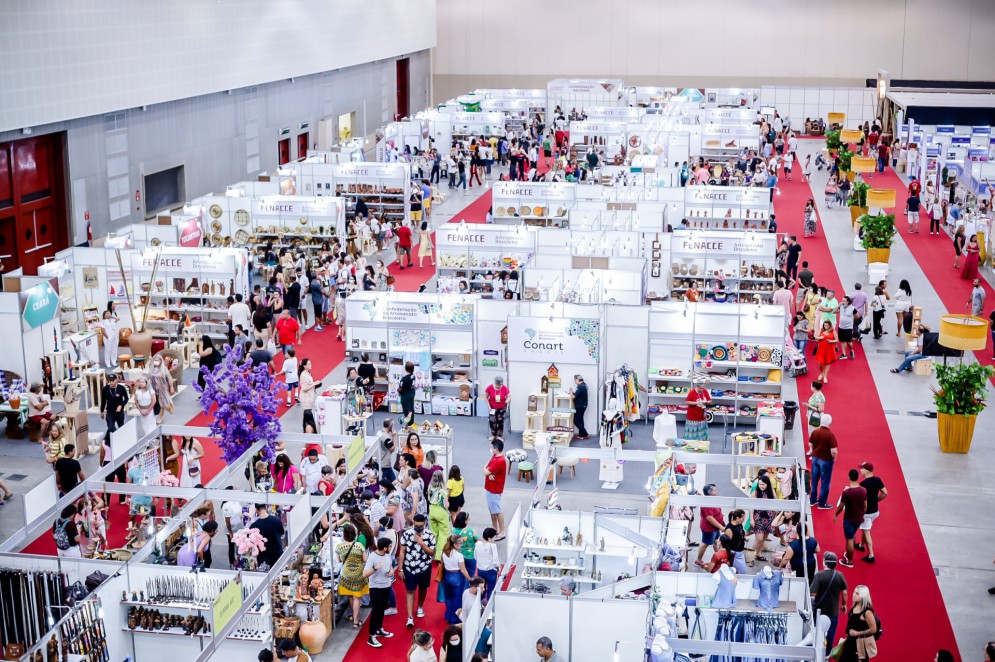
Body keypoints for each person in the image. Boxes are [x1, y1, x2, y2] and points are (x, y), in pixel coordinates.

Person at [398, 513, 435, 628]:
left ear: (424, 524)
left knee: (423, 588)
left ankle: (420, 606)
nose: (418, 528)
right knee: (410, 590)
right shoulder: (407, 534)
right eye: (416, 525)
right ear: (413, 523)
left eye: (421, 526)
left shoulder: (430, 535)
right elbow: (402, 551)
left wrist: (421, 542)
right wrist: (400, 568)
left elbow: (431, 552)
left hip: (424, 566)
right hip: (409, 567)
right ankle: (409, 617)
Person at [810, 552, 848, 654]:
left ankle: (816, 651)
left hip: (819, 610)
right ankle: (827, 653)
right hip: (833, 611)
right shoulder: (839, 575)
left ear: (824, 562)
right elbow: (844, 592)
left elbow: (813, 593)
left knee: (816, 631)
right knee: (831, 633)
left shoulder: (819, 575)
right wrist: (844, 604)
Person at [363, 537, 396, 648]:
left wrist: (391, 571)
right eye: (390, 546)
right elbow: (365, 574)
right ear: (385, 548)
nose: (391, 548)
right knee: (376, 611)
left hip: (386, 586)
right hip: (376, 588)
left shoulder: (387, 555)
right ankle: (371, 636)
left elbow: (391, 566)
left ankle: (379, 629)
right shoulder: (372, 557)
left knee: (382, 609)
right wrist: (375, 569)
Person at [336, 523, 369, 629]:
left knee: (350, 595)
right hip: (358, 574)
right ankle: (356, 620)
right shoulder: (359, 546)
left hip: (346, 574)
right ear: (355, 535)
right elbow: (365, 560)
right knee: (357, 598)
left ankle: (353, 617)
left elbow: (339, 560)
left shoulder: (339, 547)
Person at [834, 469, 867, 568]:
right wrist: (862, 514)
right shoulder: (863, 490)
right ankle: (849, 555)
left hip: (849, 519)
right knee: (852, 535)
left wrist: (836, 514)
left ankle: (849, 561)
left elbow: (841, 506)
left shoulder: (847, 492)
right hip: (859, 518)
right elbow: (865, 506)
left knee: (849, 539)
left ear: (849, 477)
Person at [856, 462, 886, 564]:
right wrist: (877, 500)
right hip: (875, 512)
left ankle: (871, 555)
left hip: (866, 513)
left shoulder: (863, 484)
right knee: (865, 528)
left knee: (866, 531)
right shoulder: (878, 480)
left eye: (862, 469)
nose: (860, 470)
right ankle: (860, 545)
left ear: (867, 471)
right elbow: (885, 492)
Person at [838, 585, 878, 661]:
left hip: (861, 645)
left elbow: (873, 629)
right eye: (854, 592)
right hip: (849, 643)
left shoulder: (867, 612)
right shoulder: (853, 608)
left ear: (863, 596)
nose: (854, 595)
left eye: (857, 593)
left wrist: (857, 633)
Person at [808, 413, 837, 509]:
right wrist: (834, 458)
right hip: (826, 461)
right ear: (830, 423)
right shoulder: (830, 434)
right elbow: (833, 451)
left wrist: (813, 451)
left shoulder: (815, 431)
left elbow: (810, 443)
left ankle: (812, 500)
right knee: (825, 482)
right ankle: (822, 503)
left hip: (815, 459)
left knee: (814, 480)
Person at [441, 534, 471, 624]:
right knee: (457, 598)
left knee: (448, 597)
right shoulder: (459, 556)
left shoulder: (443, 552)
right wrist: (470, 579)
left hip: (447, 575)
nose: (461, 544)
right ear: (455, 544)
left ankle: (448, 615)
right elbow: (463, 570)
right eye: (461, 543)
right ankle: (455, 618)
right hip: (457, 577)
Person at [693, 484, 724, 567]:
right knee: (705, 543)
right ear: (709, 493)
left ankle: (719, 557)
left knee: (716, 541)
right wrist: (721, 527)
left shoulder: (713, 500)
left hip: (715, 527)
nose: (716, 491)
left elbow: (718, 512)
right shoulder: (707, 503)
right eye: (714, 490)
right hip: (709, 529)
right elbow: (709, 518)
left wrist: (721, 524)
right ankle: (698, 560)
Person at [750, 475, 777, 565]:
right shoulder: (756, 492)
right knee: (759, 538)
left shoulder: (771, 491)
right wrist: (751, 519)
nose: (761, 486)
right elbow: (751, 506)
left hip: (769, 518)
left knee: (764, 538)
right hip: (759, 519)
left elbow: (777, 501)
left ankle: (758, 553)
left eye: (763, 484)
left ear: (767, 484)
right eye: (760, 484)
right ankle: (751, 557)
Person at [483, 440, 507, 540]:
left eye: (492, 447)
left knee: (497, 511)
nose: (491, 448)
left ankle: (502, 532)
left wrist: (486, 470)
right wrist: (488, 473)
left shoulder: (500, 460)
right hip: (490, 488)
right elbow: (488, 468)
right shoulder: (495, 457)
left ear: (496, 449)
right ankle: (494, 529)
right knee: (492, 510)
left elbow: (486, 470)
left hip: (494, 489)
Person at [250, 503, 285, 569]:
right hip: (277, 555)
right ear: (266, 507)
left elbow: (252, 542)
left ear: (256, 510)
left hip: (263, 559)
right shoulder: (276, 520)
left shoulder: (254, 526)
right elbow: (282, 534)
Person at [427, 470, 451, 561]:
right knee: (443, 534)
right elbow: (446, 505)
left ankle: (432, 552)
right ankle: (439, 556)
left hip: (432, 510)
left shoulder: (430, 487)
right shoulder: (442, 491)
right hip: (441, 512)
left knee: (434, 534)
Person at [474, 527, 500, 604]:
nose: (495, 539)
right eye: (494, 537)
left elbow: (475, 556)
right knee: (491, 589)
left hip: (480, 570)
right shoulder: (493, 546)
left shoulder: (478, 544)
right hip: (490, 571)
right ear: (489, 538)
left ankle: (480, 604)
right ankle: (489, 605)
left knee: (481, 589)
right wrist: (498, 568)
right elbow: (495, 560)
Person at [451, 511, 479, 576]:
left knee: (460, 573)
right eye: (468, 519)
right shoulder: (471, 531)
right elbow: (478, 540)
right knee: (470, 575)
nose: (469, 520)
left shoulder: (453, 531)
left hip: (458, 556)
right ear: (465, 521)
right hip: (470, 556)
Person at [722, 509, 749, 575]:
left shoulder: (739, 525)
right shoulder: (729, 529)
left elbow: (740, 534)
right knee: (741, 572)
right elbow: (726, 544)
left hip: (740, 552)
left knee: (739, 571)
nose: (743, 520)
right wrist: (728, 558)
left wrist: (744, 538)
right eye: (743, 518)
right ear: (737, 518)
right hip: (734, 554)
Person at [149, 355, 175, 423]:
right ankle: (153, 415)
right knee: (154, 402)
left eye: (158, 360)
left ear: (160, 361)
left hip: (162, 389)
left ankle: (160, 416)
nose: (156, 362)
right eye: (155, 360)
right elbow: (149, 378)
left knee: (162, 402)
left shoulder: (164, 369)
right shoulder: (152, 369)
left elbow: (169, 378)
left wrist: (171, 387)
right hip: (153, 388)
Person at [484, 376, 509, 441]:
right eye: (497, 385)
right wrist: (489, 406)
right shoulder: (489, 388)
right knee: (492, 420)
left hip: (502, 407)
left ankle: (499, 436)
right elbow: (485, 397)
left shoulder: (504, 388)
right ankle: (493, 435)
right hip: (492, 407)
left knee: (500, 421)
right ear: (495, 383)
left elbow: (509, 396)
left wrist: (508, 400)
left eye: (500, 385)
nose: (498, 387)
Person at [299, 358, 320, 433]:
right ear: (304, 366)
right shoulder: (303, 375)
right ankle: (307, 428)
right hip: (306, 396)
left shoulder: (307, 373)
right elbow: (304, 388)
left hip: (309, 395)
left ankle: (306, 428)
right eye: (309, 364)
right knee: (307, 412)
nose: (311, 365)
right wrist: (314, 383)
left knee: (307, 412)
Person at [838, 296, 856, 360]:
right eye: (842, 300)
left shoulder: (852, 308)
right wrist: (838, 306)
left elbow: (857, 316)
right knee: (842, 341)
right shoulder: (841, 307)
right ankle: (844, 354)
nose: (842, 302)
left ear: (848, 301)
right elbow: (834, 311)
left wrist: (851, 322)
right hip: (841, 326)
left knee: (848, 341)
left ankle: (851, 350)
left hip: (848, 327)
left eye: (844, 301)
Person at [398, 361, 416, 425]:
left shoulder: (404, 379)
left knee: (406, 410)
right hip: (411, 394)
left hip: (405, 396)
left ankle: (409, 425)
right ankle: (411, 423)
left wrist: (398, 390)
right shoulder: (413, 376)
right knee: (411, 408)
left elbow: (400, 388)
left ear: (405, 369)